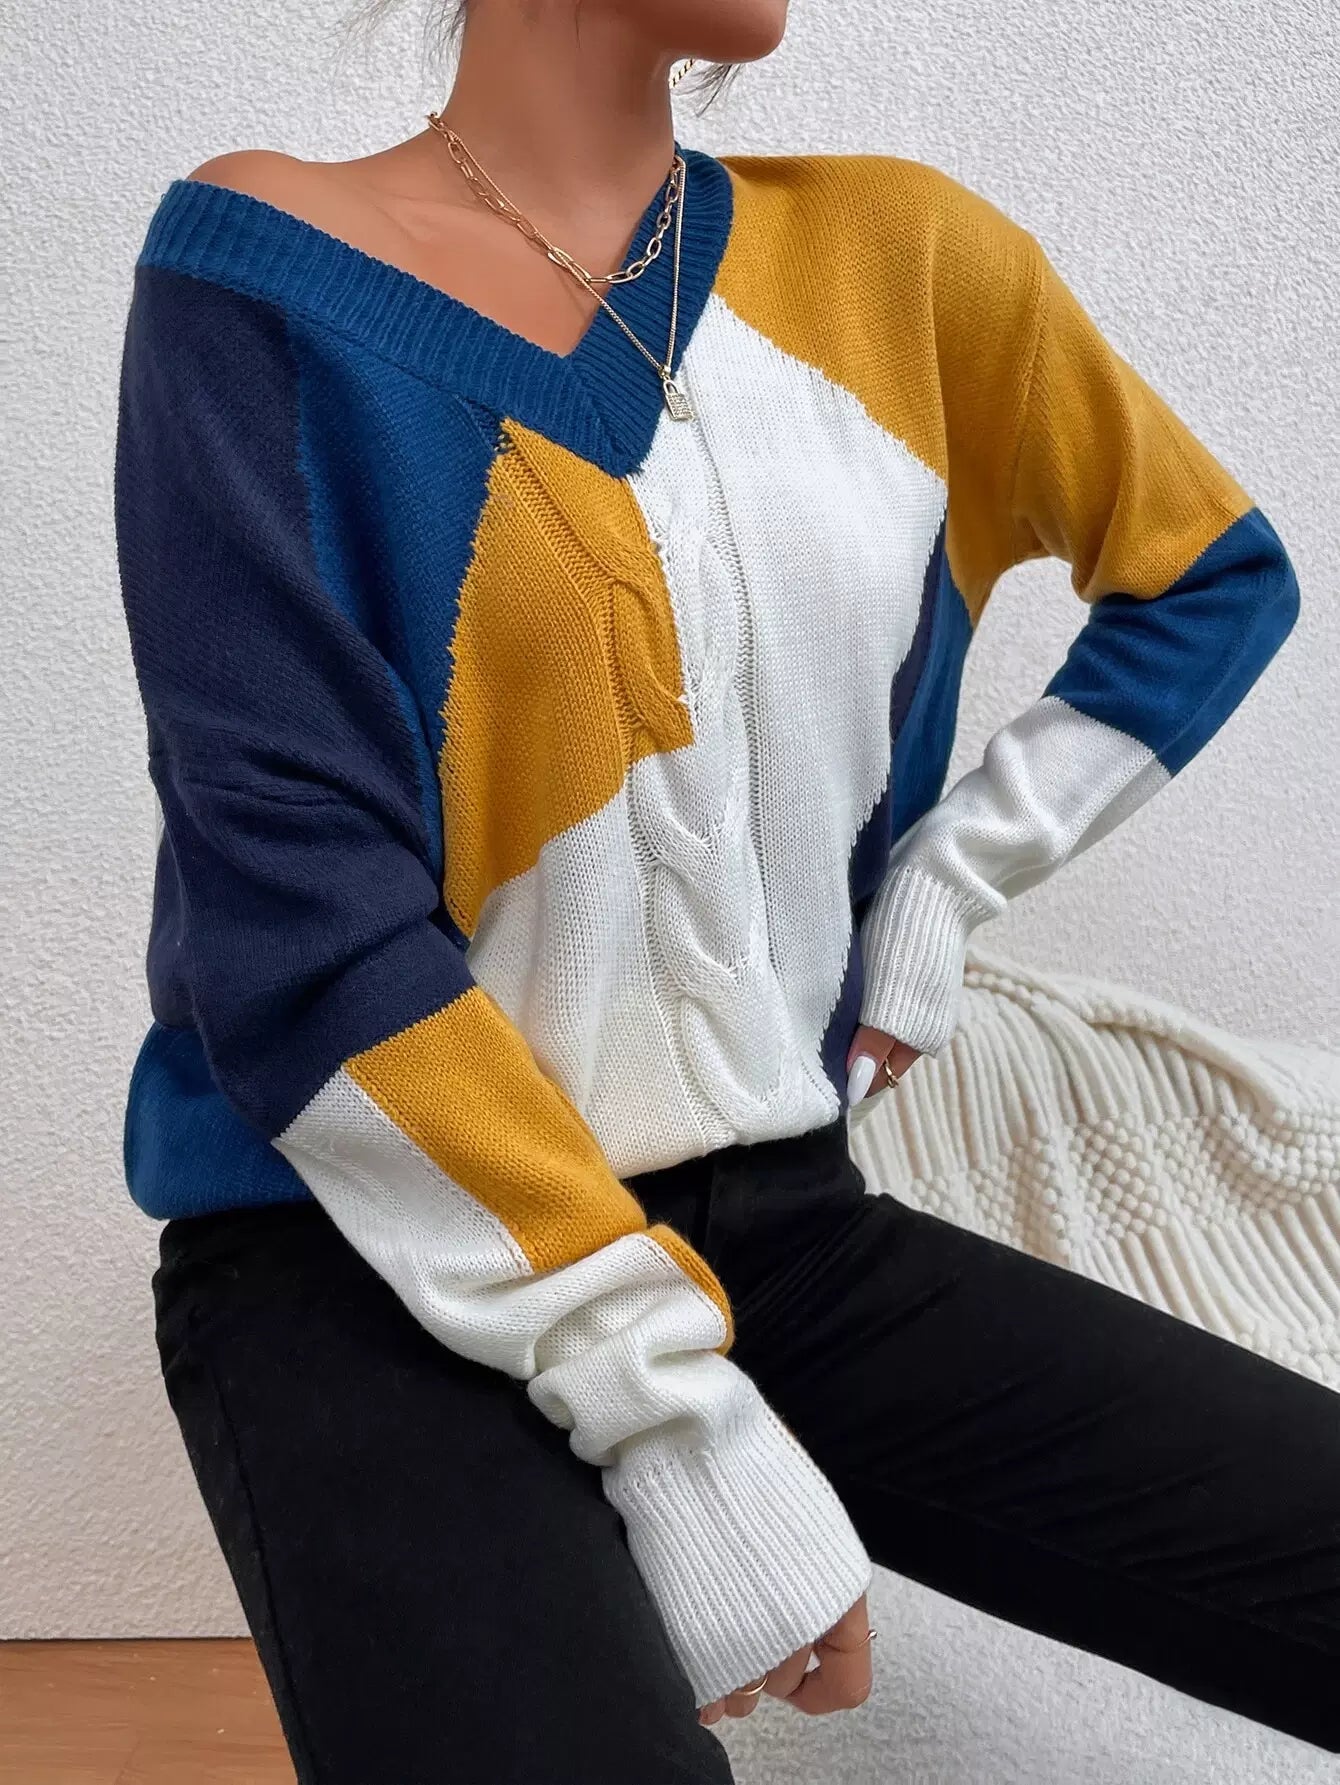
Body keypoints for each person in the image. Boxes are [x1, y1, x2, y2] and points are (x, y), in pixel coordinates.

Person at [112, 2, 1338, 1780]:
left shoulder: (910, 264)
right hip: (354, 1256)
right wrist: (678, 1425)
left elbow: (1211, 575)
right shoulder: (261, 275)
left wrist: (942, 890)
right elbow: (302, 936)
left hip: (778, 1223)